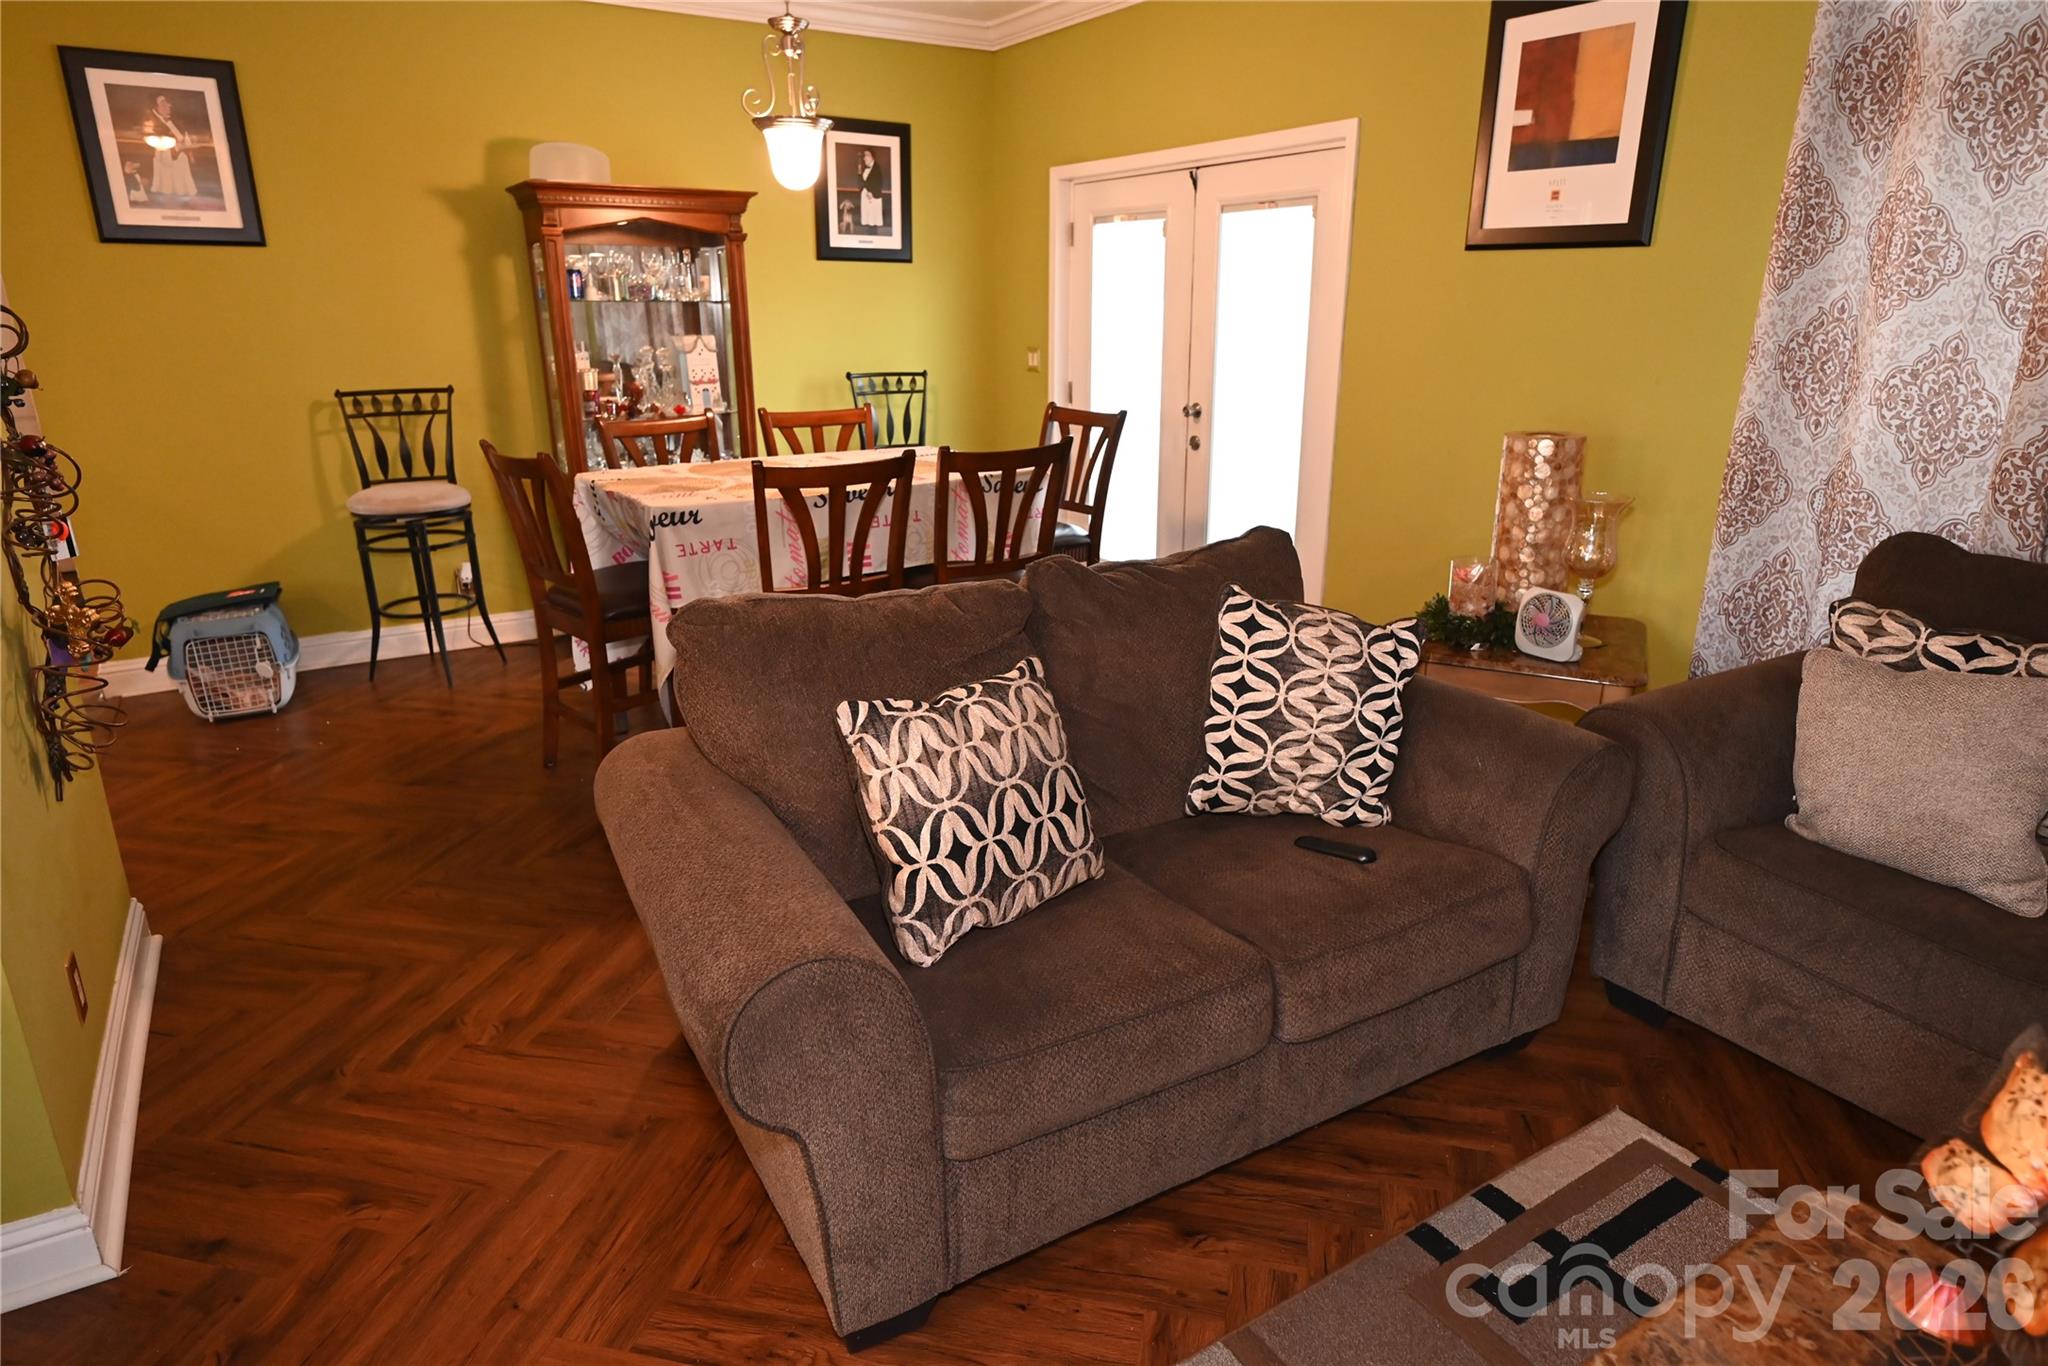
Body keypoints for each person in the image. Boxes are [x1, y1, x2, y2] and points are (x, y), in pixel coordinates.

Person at [141, 92, 198, 203]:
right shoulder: (152, 122)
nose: (168, 106)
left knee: (183, 179)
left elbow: (184, 138)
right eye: (163, 104)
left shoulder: (176, 121)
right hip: (165, 156)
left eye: (167, 104)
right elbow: (150, 140)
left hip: (179, 156)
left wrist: (190, 154)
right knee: (167, 182)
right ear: (156, 107)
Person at [855, 148, 887, 231]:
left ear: (872, 157)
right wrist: (859, 174)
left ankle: (873, 232)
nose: (864, 158)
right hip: (865, 195)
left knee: (873, 218)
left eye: (866, 155)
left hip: (873, 196)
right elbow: (862, 182)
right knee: (867, 217)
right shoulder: (865, 169)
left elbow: (879, 182)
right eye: (864, 156)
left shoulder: (877, 167)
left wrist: (871, 192)